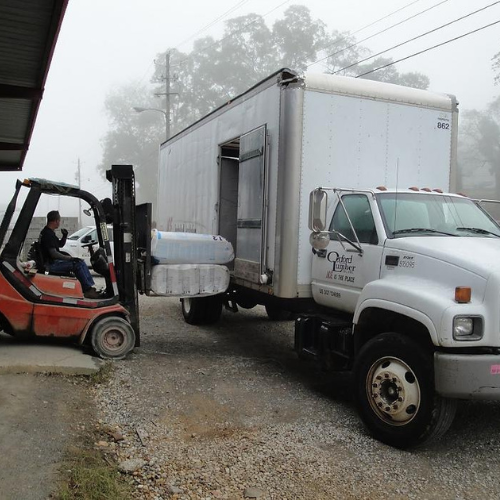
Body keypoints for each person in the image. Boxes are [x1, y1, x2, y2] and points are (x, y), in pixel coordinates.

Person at [39, 211, 102, 299]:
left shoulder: (49, 232)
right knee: (77, 264)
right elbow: (54, 254)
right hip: (51, 264)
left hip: (52, 262)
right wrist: (70, 258)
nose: (59, 223)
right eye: (59, 221)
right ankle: (87, 290)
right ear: (56, 221)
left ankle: (90, 288)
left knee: (80, 261)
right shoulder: (47, 234)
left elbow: (60, 245)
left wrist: (65, 236)